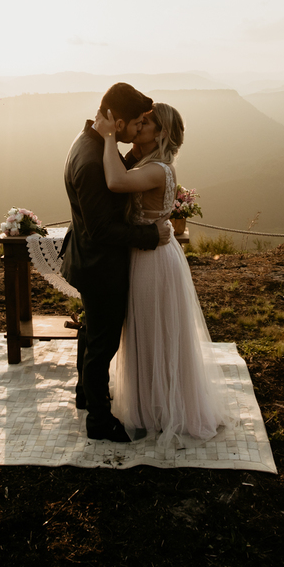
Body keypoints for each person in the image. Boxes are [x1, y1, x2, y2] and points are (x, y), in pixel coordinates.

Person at [92, 104, 235, 450]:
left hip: (152, 259)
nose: (139, 125)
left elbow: (115, 181)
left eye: (147, 123)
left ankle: (161, 407)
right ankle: (154, 402)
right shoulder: (148, 162)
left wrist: (109, 136)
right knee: (149, 330)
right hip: (150, 253)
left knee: (155, 331)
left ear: (161, 133)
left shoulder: (157, 169)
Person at [61, 83, 173, 443]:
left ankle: (84, 394)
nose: (140, 129)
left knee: (92, 332)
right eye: (137, 123)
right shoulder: (92, 160)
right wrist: (149, 236)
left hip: (90, 263)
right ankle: (99, 420)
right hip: (100, 266)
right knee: (103, 345)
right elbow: (100, 229)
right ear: (119, 122)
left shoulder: (89, 143)